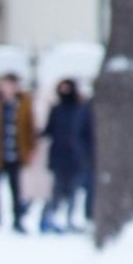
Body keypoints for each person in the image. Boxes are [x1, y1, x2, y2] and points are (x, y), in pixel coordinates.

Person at [0, 72, 35, 234]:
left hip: (15, 153)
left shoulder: (23, 103)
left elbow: (30, 127)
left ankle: (17, 220)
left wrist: (30, 148)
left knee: (16, 189)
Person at [39, 78, 92, 234]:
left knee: (74, 191)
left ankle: (70, 220)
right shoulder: (56, 109)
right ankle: (51, 218)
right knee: (57, 190)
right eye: (62, 88)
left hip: (77, 157)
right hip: (59, 157)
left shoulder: (82, 109)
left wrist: (86, 153)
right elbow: (49, 130)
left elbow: (87, 133)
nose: (65, 92)